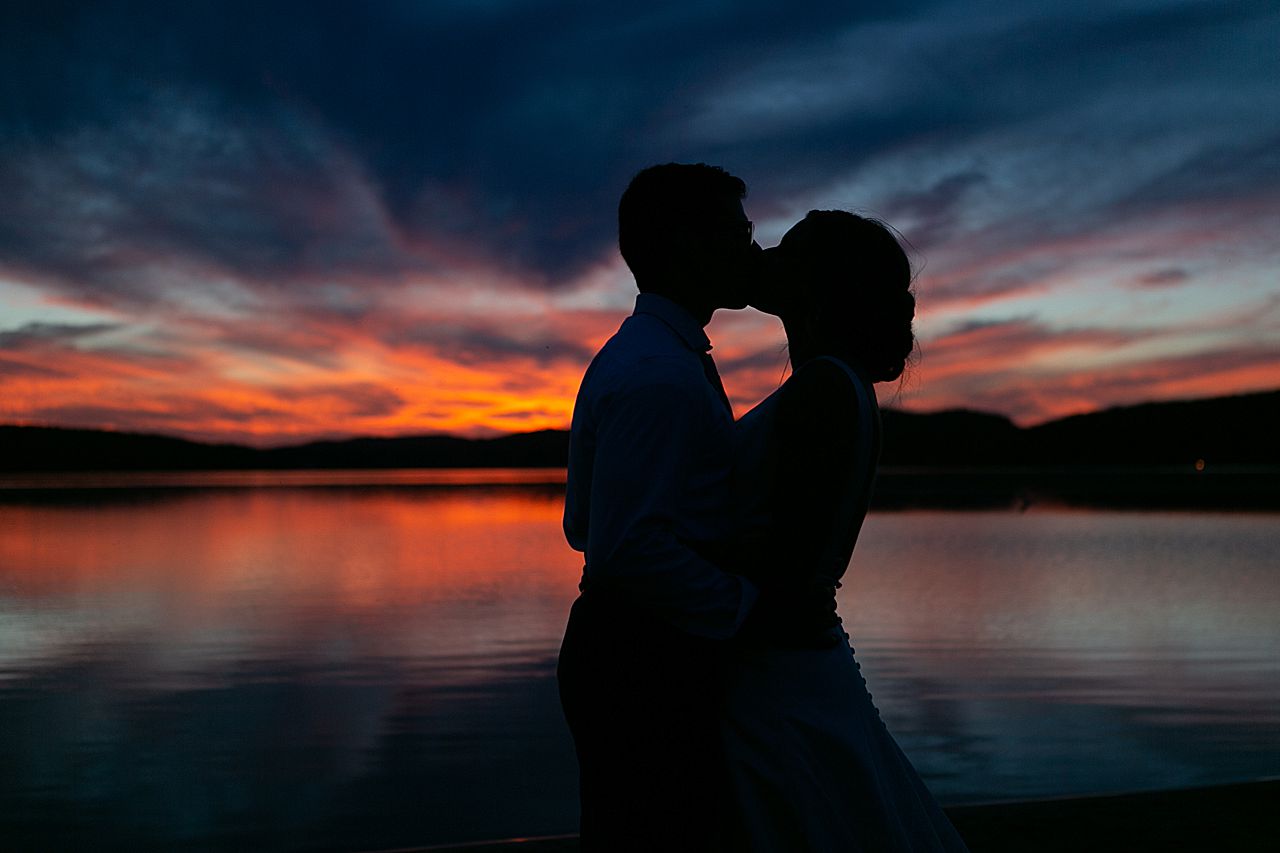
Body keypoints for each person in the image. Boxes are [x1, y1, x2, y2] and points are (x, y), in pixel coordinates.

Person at [721, 210, 971, 851]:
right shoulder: (832, 385)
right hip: (796, 667)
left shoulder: (825, 391)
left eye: (788, 250)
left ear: (814, 285)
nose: (765, 258)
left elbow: (785, 565)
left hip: (779, 677)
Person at [557, 162, 763, 851]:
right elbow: (624, 547)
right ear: (684, 243)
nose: (753, 250)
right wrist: (747, 605)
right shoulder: (661, 376)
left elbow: (584, 526)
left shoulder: (641, 356)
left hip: (626, 652)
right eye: (737, 233)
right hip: (643, 665)